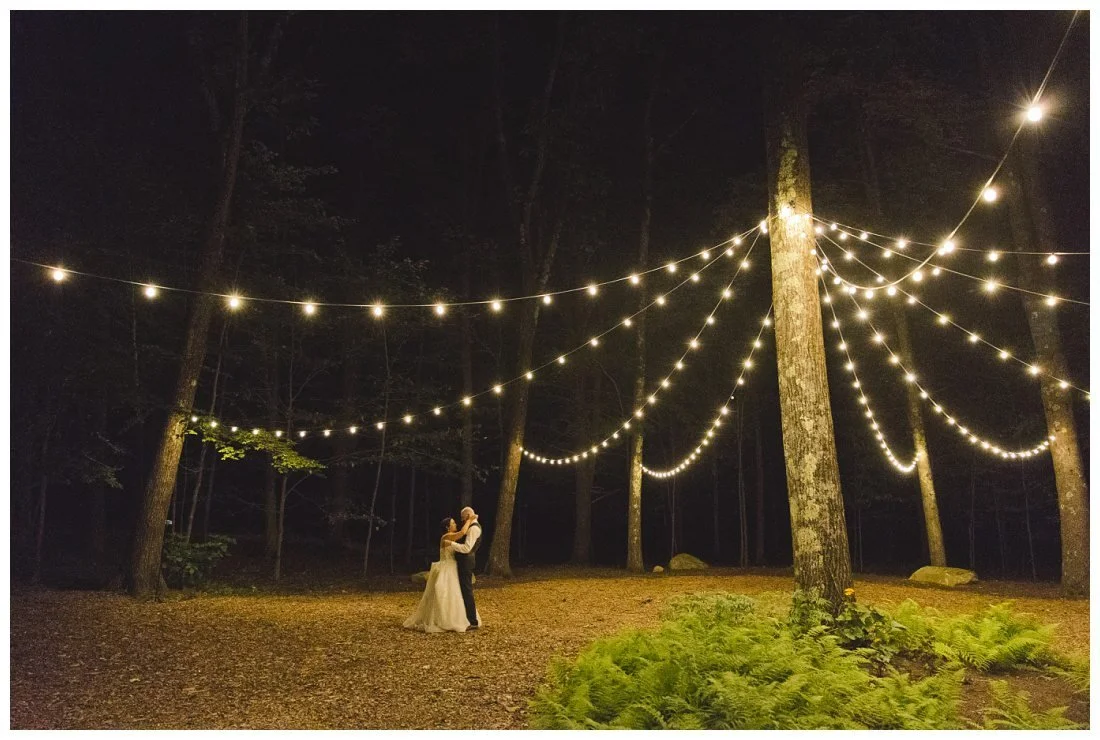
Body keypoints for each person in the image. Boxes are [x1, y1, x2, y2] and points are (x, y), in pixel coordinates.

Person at [402, 514, 481, 633]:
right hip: (447, 568)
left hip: (452, 567)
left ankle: (459, 617)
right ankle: (445, 619)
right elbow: (463, 532)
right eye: (453, 523)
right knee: (446, 593)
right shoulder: (446, 537)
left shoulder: (449, 536)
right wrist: (470, 520)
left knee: (455, 594)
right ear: (447, 527)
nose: (455, 524)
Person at [447, 506, 482, 629]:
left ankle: (473, 621)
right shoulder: (471, 527)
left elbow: (467, 548)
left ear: (467, 516)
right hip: (465, 562)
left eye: (463, 518)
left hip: (466, 562)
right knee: (463, 590)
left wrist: (452, 544)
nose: (462, 521)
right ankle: (466, 618)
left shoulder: (474, 529)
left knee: (467, 591)